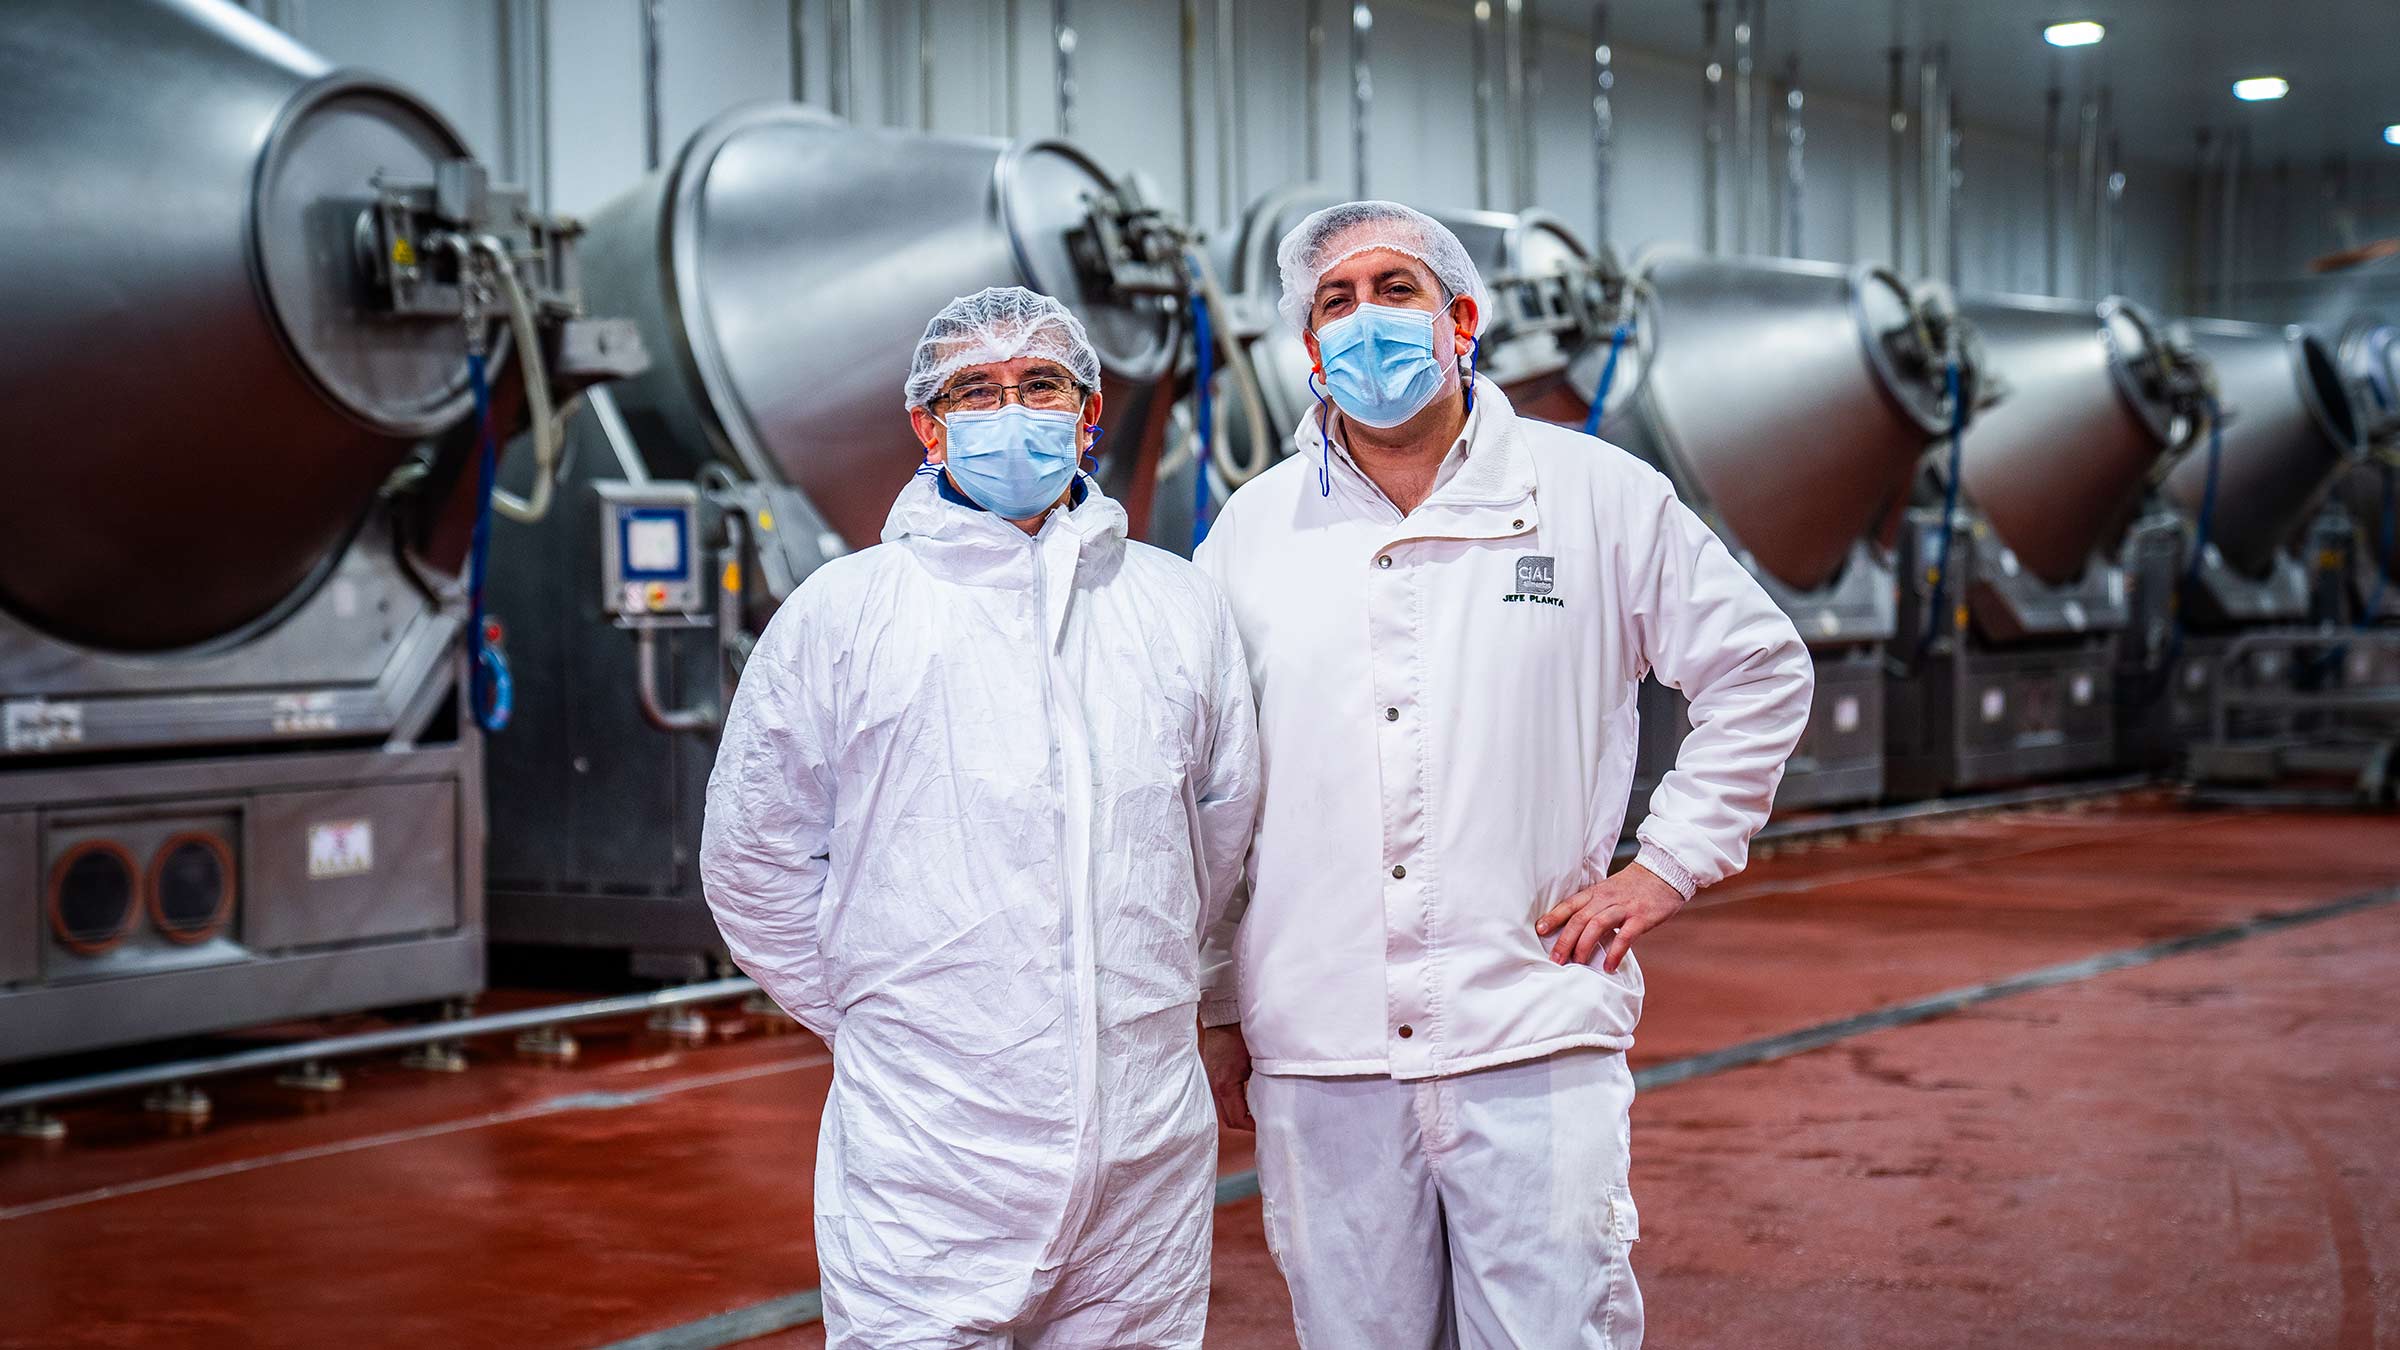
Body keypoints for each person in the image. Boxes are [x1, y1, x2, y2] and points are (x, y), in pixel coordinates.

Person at [1194, 202, 1813, 1349]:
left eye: (1397, 291)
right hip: (1325, 1048)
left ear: (1461, 318)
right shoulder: (1250, 533)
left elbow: (1759, 670)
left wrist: (1665, 865)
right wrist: (1223, 1003)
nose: (1367, 321)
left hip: (1528, 1027)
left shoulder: (1595, 495)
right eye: (1336, 301)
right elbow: (1215, 793)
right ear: (1307, 345)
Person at [701, 286, 1260, 1349]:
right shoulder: (848, 611)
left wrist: (1126, 995)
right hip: (929, 1149)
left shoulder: (1174, 607)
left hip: (1144, 1140)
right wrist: (891, 1019)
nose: (1013, 410)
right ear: (928, 424)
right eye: (977, 390)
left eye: (1040, 384)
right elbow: (755, 860)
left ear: (1088, 411)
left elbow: (1219, 839)